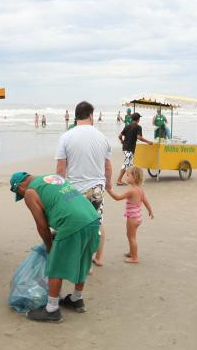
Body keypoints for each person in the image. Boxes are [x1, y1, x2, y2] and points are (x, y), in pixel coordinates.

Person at [10, 171, 100, 323]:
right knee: (83, 260)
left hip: (73, 223)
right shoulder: (51, 178)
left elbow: (41, 225)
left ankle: (52, 309)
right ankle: (76, 299)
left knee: (55, 264)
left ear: (20, 186)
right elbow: (65, 204)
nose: (21, 195)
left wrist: (50, 247)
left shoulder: (30, 193)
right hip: (92, 218)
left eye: (18, 192)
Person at [55, 101, 112, 267]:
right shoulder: (102, 137)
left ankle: (74, 259)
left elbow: (60, 169)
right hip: (96, 189)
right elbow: (108, 166)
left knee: (73, 225)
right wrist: (108, 185)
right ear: (91, 116)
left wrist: (59, 190)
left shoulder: (66, 137)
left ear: (75, 116)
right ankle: (95, 259)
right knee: (96, 224)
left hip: (72, 189)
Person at [105, 166, 153, 263]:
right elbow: (145, 201)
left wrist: (109, 190)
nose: (126, 177)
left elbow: (118, 198)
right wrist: (150, 210)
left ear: (134, 177)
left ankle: (134, 257)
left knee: (131, 237)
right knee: (130, 235)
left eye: (128, 175)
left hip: (132, 218)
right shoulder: (140, 189)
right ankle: (132, 252)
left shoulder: (132, 191)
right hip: (138, 217)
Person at [117, 113, 151, 185]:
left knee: (127, 164)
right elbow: (139, 137)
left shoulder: (127, 126)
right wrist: (148, 142)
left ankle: (126, 179)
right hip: (130, 148)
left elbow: (119, 136)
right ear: (138, 119)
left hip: (125, 148)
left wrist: (122, 141)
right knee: (127, 164)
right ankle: (120, 180)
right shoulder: (138, 127)